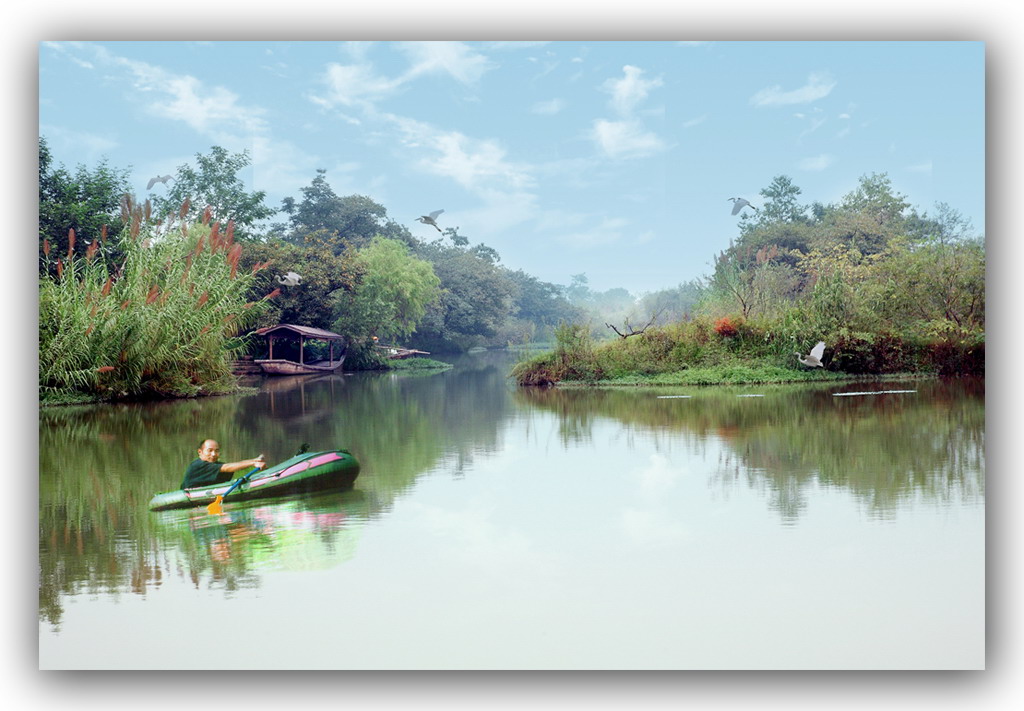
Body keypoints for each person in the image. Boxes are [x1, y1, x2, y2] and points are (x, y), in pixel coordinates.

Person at [180, 439, 266, 490]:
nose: (214, 454)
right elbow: (227, 467)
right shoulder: (199, 465)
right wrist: (253, 463)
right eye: (210, 450)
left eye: (216, 451)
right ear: (200, 452)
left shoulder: (213, 464)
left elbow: (234, 465)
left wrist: (255, 460)